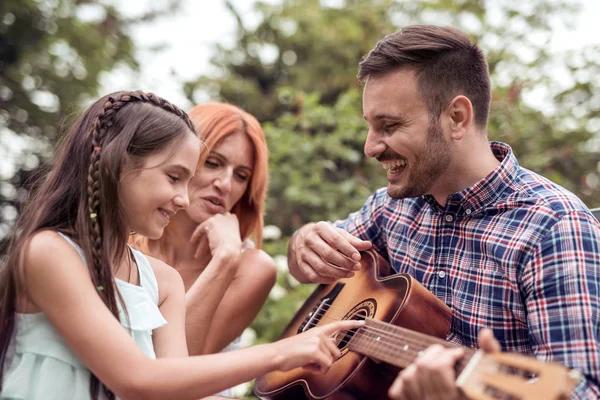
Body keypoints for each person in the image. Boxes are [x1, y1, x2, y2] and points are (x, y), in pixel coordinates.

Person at [286, 25, 600, 400]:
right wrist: (303, 243)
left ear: (456, 118)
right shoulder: (391, 206)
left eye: (389, 126)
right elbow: (313, 259)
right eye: (370, 127)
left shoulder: (554, 227)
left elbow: (581, 391)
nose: (370, 147)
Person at [0, 90, 362, 400]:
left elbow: (170, 387)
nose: (183, 198)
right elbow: (136, 380)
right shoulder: (50, 253)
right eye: (174, 177)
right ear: (115, 164)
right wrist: (278, 354)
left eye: (241, 176)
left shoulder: (163, 280)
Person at [131, 103, 275, 360]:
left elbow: (177, 369)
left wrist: (226, 259)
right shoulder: (125, 243)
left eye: (241, 176)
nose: (225, 184)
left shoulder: (251, 267)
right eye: (213, 163)